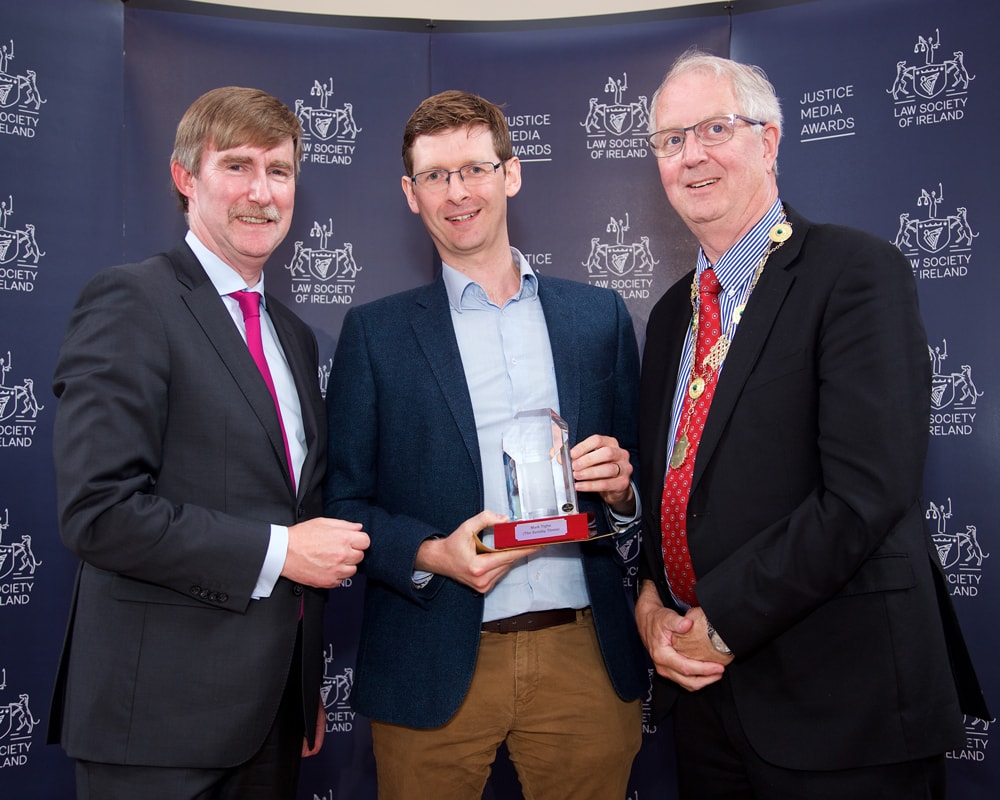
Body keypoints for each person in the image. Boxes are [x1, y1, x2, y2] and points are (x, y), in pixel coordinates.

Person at [634, 50, 989, 799]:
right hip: (705, 698)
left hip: (843, 705)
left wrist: (721, 617)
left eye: (714, 129)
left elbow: (866, 493)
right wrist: (649, 597)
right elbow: (678, 485)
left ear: (769, 141)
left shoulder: (856, 273)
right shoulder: (671, 316)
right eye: (670, 139)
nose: (691, 154)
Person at [47, 86, 370, 800]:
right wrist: (285, 551)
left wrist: (300, 683)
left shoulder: (290, 333)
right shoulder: (131, 300)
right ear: (185, 178)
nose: (261, 192)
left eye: (279, 171)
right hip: (156, 729)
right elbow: (99, 511)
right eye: (237, 166)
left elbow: (285, 497)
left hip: (270, 721)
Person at [323, 89, 645, 800]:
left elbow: (639, 489)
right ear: (411, 194)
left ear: (511, 173)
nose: (457, 192)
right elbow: (343, 504)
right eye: (435, 176)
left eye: (474, 168)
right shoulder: (375, 335)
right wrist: (429, 553)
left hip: (583, 653)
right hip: (428, 656)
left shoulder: (598, 317)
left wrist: (622, 492)